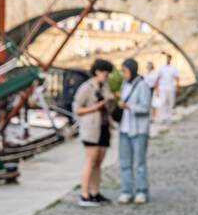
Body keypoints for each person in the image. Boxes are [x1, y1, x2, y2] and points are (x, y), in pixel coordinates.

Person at [73, 59, 115, 205]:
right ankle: (84, 194)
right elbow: (77, 109)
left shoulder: (105, 86)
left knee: (98, 162)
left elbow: (107, 105)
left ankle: (95, 192)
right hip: (91, 128)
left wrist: (109, 101)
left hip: (103, 127)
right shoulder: (86, 87)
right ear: (97, 72)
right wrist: (96, 107)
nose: (107, 76)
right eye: (105, 73)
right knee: (90, 161)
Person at [117, 58, 153, 205]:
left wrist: (128, 106)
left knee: (139, 163)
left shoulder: (143, 86)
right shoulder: (124, 85)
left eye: (124, 71)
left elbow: (145, 108)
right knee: (125, 162)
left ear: (131, 70)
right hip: (124, 129)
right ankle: (126, 191)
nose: (122, 74)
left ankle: (141, 191)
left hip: (138, 130)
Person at [154, 52, 180, 125]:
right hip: (163, 88)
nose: (168, 59)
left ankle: (169, 117)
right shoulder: (161, 68)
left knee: (170, 103)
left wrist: (178, 86)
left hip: (171, 88)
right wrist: (156, 87)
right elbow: (158, 78)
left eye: (169, 58)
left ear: (170, 59)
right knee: (162, 102)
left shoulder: (173, 68)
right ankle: (162, 118)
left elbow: (177, 77)